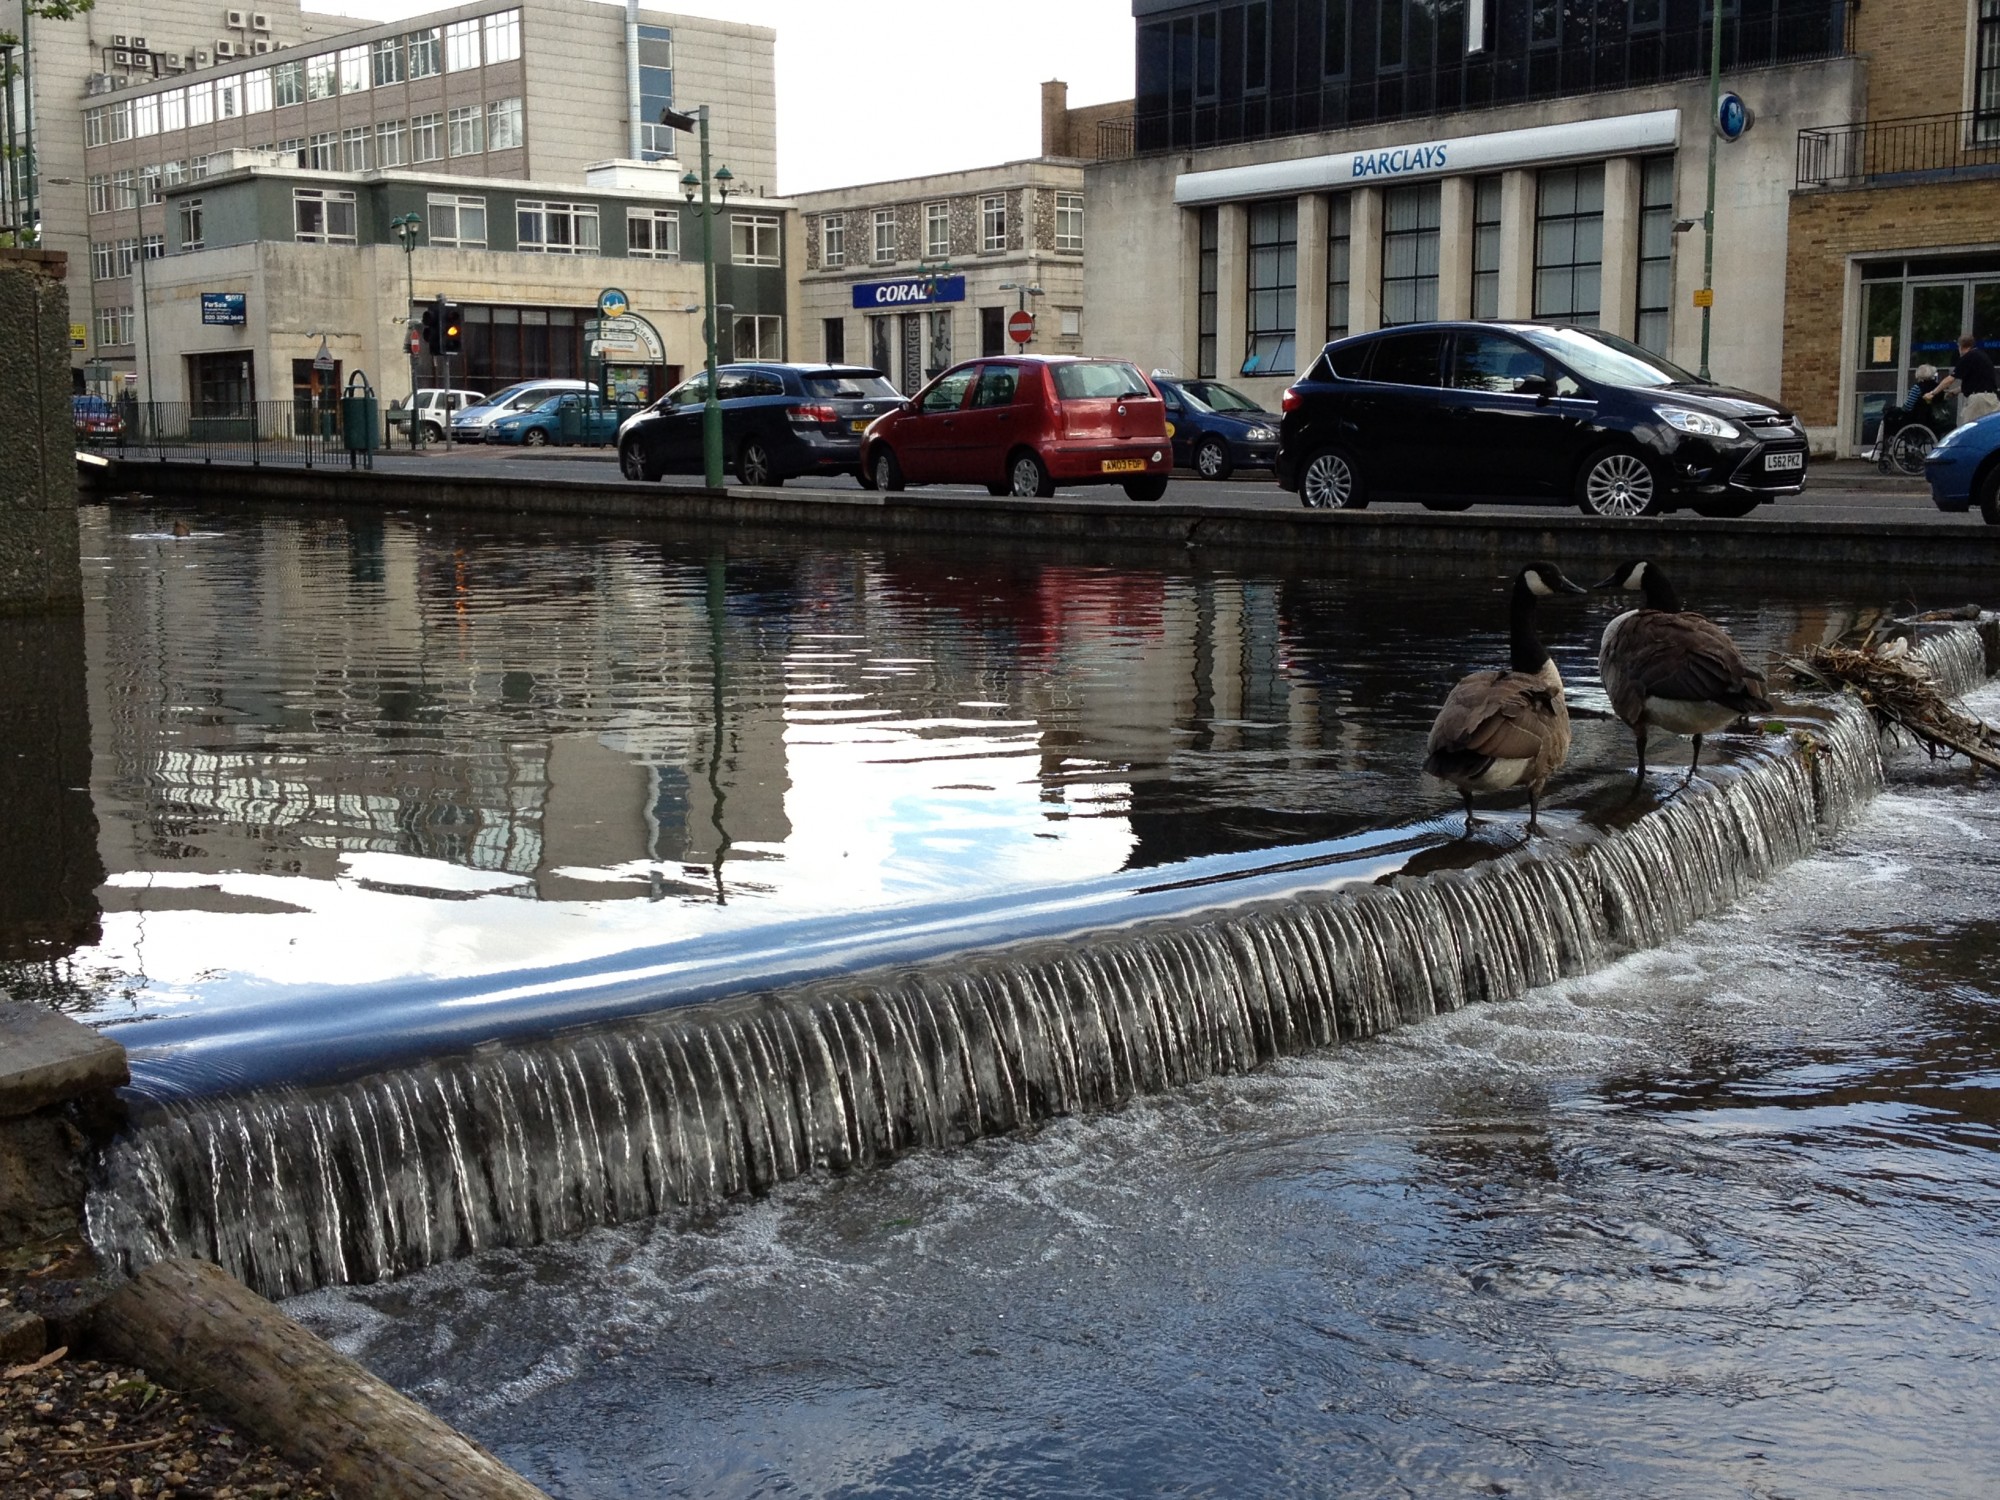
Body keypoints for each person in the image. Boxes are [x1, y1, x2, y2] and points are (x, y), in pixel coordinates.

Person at [1931, 334, 1999, 424]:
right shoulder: (1981, 356)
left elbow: (1950, 379)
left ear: (1961, 346)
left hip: (1978, 401)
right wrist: (1956, 391)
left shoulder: (1968, 357)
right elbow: (1977, 382)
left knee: (1970, 429)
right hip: (1991, 398)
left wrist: (1933, 393)